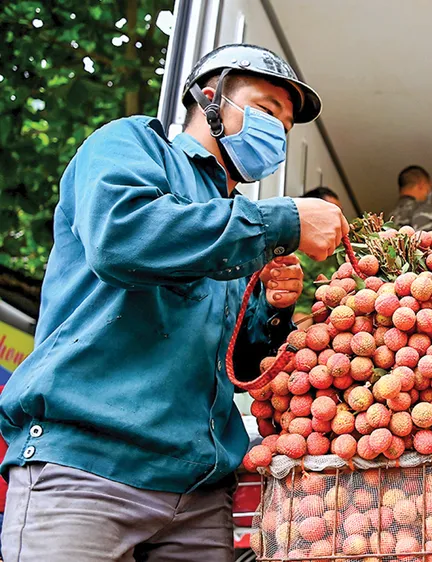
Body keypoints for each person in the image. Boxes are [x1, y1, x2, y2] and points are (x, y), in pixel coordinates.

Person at [0, 44, 349, 561]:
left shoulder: (238, 226)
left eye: (286, 124)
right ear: (211, 99)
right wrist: (285, 221)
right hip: (86, 472)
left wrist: (271, 311)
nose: (277, 129)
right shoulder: (132, 146)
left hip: (199, 496)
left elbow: (240, 365)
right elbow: (122, 238)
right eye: (267, 109)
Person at [294, 186, 343, 328]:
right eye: (332, 215)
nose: (338, 221)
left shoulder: (340, 249)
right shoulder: (295, 259)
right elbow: (301, 309)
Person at [389, 164, 432, 231]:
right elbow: (427, 237)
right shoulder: (421, 207)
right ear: (421, 185)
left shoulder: (389, 217)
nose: (429, 192)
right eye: (429, 188)